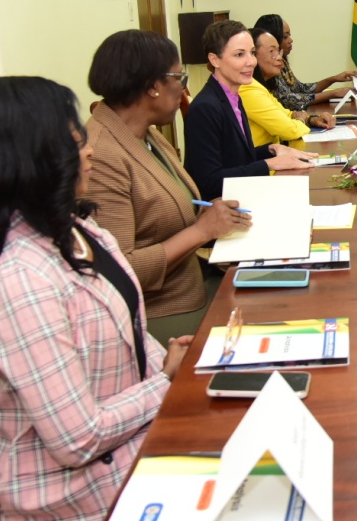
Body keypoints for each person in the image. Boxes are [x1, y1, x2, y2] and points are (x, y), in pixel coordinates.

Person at [0, 76, 188, 521]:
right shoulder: (21, 280)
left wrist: (165, 359)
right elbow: (78, 438)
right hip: (71, 502)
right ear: (29, 159)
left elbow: (133, 327)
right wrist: (166, 383)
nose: (88, 149)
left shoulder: (79, 228)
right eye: (72, 140)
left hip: (135, 445)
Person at [84, 30, 250, 341]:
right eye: (179, 77)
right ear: (152, 87)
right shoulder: (102, 156)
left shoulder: (145, 134)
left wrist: (211, 224)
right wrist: (202, 231)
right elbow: (118, 270)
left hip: (196, 279)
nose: (184, 90)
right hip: (160, 312)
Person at [184, 20, 315, 200]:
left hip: (243, 196)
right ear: (215, 59)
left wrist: (272, 149)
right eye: (239, 55)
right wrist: (270, 163)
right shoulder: (205, 108)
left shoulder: (233, 97)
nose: (251, 62)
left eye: (252, 53)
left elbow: (236, 158)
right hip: (223, 210)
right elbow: (209, 181)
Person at [244, 25, 335, 147]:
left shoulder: (260, 86)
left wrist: (311, 119)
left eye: (278, 51)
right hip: (263, 161)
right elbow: (290, 130)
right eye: (272, 51)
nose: (279, 58)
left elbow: (285, 114)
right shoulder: (248, 89)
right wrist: (301, 120)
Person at [253, 13, 357, 110]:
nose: (291, 40)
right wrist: (333, 93)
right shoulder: (268, 70)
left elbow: (302, 89)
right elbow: (288, 100)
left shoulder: (282, 63)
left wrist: (333, 79)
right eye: (285, 36)